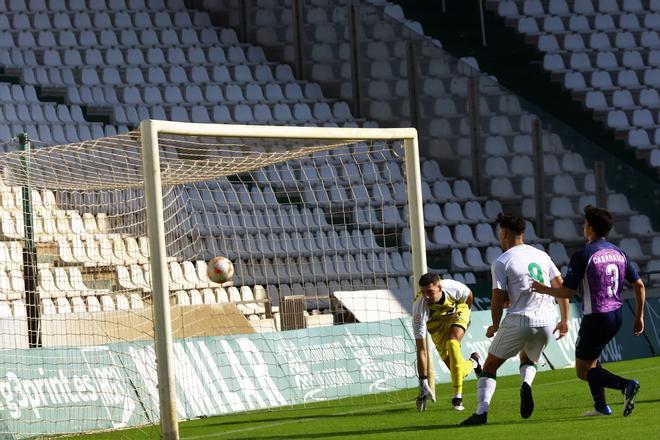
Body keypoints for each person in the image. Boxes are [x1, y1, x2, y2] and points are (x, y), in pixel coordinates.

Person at [531, 205, 645, 417]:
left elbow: (567, 292)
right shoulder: (619, 253)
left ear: (590, 228)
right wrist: (639, 317)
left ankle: (626, 385)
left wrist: (541, 288)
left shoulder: (584, 254)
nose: (583, 227)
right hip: (617, 315)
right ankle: (601, 406)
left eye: (584, 224)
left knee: (583, 371)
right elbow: (639, 285)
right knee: (593, 360)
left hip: (596, 318)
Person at [461, 213, 569, 426]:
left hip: (520, 319)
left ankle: (481, 413)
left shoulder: (502, 261)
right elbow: (561, 286)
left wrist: (494, 324)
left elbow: (497, 297)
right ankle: (526, 383)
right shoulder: (541, 255)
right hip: (547, 320)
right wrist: (564, 319)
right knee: (528, 358)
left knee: (490, 365)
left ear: (505, 233)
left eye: (500, 233)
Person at [413, 272, 482, 411]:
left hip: (456, 313)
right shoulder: (419, 310)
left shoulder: (453, 288)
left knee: (452, 342)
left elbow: (469, 295)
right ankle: (474, 361)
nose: (426, 296)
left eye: (430, 292)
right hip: (436, 326)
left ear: (439, 288)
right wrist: (423, 382)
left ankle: (457, 399)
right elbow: (421, 349)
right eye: (423, 292)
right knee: (458, 372)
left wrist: (465, 314)